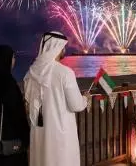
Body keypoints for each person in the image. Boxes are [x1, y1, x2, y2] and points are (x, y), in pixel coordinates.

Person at [25, 32, 89, 166]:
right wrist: (85, 99)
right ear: (58, 48)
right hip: (60, 131)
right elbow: (76, 105)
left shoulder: (31, 72)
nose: (64, 50)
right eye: (63, 47)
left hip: (39, 130)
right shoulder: (65, 73)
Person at [0, 45, 30, 166]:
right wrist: (26, 136)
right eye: (13, 57)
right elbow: (16, 113)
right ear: (4, 59)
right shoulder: (8, 83)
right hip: (9, 140)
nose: (14, 61)